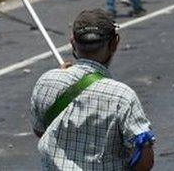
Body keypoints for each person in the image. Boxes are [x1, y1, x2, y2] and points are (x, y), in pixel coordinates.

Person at [30, 9, 155, 170]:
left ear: (73, 43)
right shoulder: (122, 97)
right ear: (114, 44)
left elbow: (41, 131)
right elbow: (145, 160)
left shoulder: (46, 82)